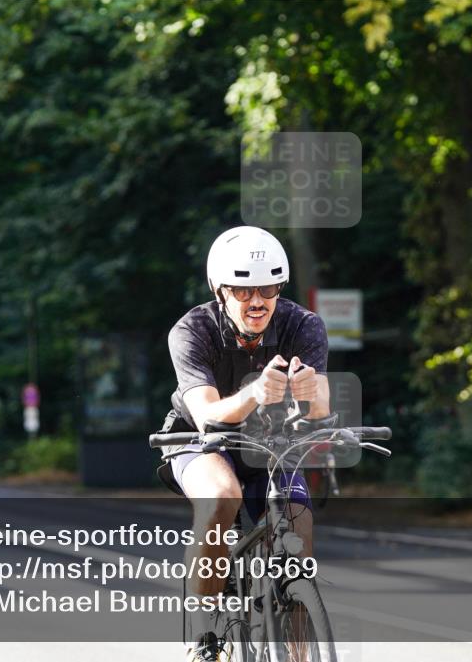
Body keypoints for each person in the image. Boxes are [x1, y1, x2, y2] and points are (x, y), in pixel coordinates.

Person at [160, 226, 331, 662]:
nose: (257, 301)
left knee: (300, 523)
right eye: (242, 290)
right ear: (220, 290)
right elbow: (208, 415)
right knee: (222, 496)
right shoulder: (192, 330)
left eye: (269, 287)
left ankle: (297, 650)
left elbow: (320, 407)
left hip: (268, 441)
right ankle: (204, 634)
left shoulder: (303, 324)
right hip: (199, 441)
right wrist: (255, 393)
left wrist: (311, 393)